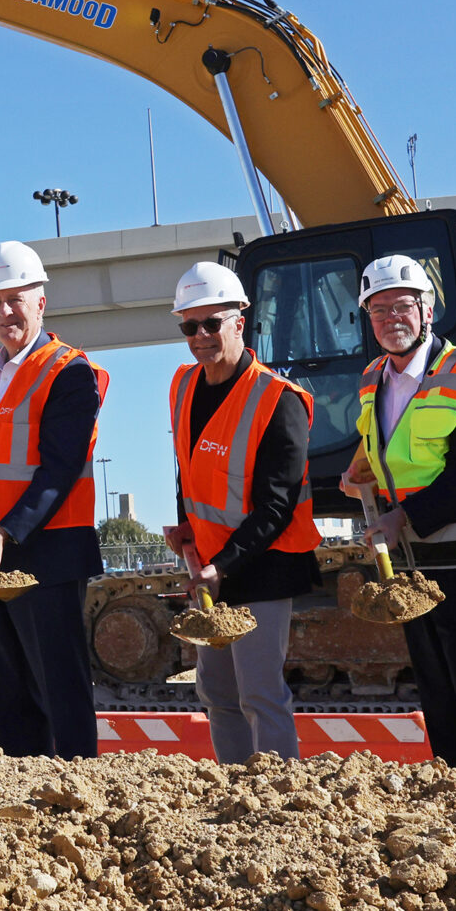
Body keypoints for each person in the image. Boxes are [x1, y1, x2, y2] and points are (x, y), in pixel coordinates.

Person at [341, 254, 456, 764]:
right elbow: (388, 446)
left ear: (429, 311)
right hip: (416, 563)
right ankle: (449, 808)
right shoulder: (372, 379)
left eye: (402, 306)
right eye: (378, 310)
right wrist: (362, 471)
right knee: (441, 702)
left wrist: (403, 516)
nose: (390, 319)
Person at [0, 240, 108, 760]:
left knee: (59, 687)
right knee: (12, 690)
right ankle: (21, 791)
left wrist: (6, 529)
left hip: (50, 549)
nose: (4, 312)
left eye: (16, 299)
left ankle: (77, 789)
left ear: (41, 301)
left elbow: (59, 468)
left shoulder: (69, 371)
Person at [162, 262, 319, 763]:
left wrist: (219, 567)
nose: (201, 336)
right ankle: (235, 795)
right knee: (218, 695)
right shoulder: (184, 386)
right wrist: (186, 524)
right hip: (212, 567)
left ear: (239, 322)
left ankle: (275, 804)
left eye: (212, 323)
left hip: (263, 567)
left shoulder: (279, 399)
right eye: (190, 326)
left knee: (259, 694)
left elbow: (277, 504)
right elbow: (188, 465)